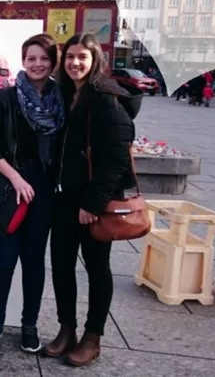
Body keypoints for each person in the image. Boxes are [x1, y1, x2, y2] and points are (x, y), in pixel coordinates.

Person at [44, 34, 142, 367]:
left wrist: (93, 203)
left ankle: (93, 337)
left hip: (94, 203)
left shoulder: (106, 97)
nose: (74, 63)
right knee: (61, 266)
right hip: (63, 199)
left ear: (95, 59)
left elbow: (115, 159)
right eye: (69, 56)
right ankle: (66, 329)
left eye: (82, 57)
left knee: (97, 269)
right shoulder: (64, 92)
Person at [0, 33, 65, 353]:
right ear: (23, 61)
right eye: (31, 58)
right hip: (9, 187)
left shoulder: (62, 101)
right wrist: (15, 178)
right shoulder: (4, 99)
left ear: (52, 63)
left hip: (44, 189)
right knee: (3, 260)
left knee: (33, 261)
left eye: (44, 58)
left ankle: (29, 325)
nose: (37, 64)